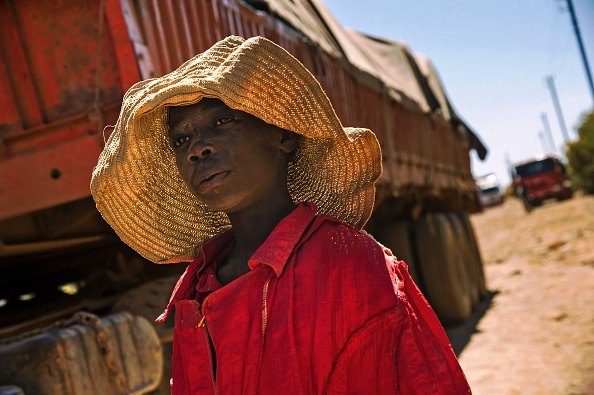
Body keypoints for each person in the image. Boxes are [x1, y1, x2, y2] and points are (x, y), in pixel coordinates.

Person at [91, 36, 471, 394]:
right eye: (181, 140)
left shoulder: (352, 263)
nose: (197, 149)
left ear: (283, 136)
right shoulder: (197, 291)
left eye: (223, 122)